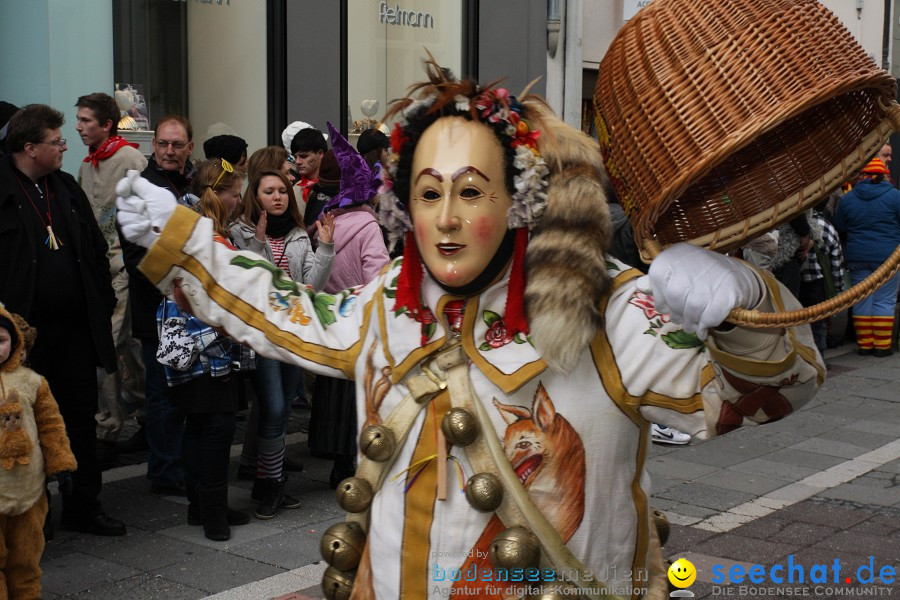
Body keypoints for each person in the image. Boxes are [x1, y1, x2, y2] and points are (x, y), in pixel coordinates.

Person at [116, 64, 823, 599]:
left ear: (518, 200)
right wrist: (184, 241)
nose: (447, 219)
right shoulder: (389, 301)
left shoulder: (603, 302)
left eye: (472, 191)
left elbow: (757, 393)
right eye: (428, 193)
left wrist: (742, 306)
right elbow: (286, 314)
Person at [0, 104, 125, 536]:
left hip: (75, 331)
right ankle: (36, 515)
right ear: (29, 147)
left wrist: (104, 297)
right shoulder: (3, 191)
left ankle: (84, 505)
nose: (64, 146)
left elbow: (94, 248)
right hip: (22, 338)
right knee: (27, 425)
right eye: (56, 141)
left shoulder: (66, 187)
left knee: (78, 419)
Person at [150, 159, 251, 540]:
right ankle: (213, 515)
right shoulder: (208, 238)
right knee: (216, 430)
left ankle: (201, 507)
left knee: (198, 427)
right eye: (234, 194)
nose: (238, 201)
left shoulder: (186, 226)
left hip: (185, 347)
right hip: (208, 349)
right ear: (218, 195)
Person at [228, 169, 335, 519]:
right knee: (273, 407)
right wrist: (258, 245)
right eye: (269, 191)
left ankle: (267, 482)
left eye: (282, 191)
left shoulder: (299, 236)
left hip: (294, 333)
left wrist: (326, 247)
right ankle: (270, 485)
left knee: (284, 408)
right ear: (254, 197)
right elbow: (251, 285)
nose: (277, 197)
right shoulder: (239, 233)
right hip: (263, 335)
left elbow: (312, 287)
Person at [309, 123, 390, 487]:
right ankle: (358, 465)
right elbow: (379, 278)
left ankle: (336, 462)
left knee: (333, 395)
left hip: (331, 322)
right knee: (359, 399)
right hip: (361, 324)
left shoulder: (326, 227)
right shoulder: (370, 229)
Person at [119, 115, 195, 494]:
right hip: (159, 310)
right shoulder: (140, 189)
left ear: (189, 148)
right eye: (163, 144)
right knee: (163, 394)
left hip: (196, 312)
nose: (168, 151)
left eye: (176, 145)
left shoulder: (195, 184)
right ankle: (165, 471)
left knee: (188, 393)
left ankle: (183, 463)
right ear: (154, 146)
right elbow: (136, 259)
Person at [75, 92, 148, 467]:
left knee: (110, 342)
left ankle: (108, 428)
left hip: (124, 267)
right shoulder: (86, 166)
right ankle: (142, 410)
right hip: (98, 268)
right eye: (79, 120)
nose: (79, 127)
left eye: (87, 120)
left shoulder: (131, 159)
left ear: (107, 124)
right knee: (122, 345)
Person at [0, 305, 77, 598]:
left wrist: (60, 463)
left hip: (29, 489)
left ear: (15, 341)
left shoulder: (33, 381)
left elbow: (50, 425)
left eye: (1, 340)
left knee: (26, 559)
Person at [833, 157, 900, 357]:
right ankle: (882, 347)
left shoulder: (847, 199)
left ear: (862, 176)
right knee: (884, 299)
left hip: (857, 256)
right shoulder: (895, 197)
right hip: (888, 256)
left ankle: (864, 344)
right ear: (883, 175)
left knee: (862, 298)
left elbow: (841, 227)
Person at [290, 126, 328, 203]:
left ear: (320, 153)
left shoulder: (336, 187)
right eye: (295, 157)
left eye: (303, 156)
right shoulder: (294, 190)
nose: (297, 161)